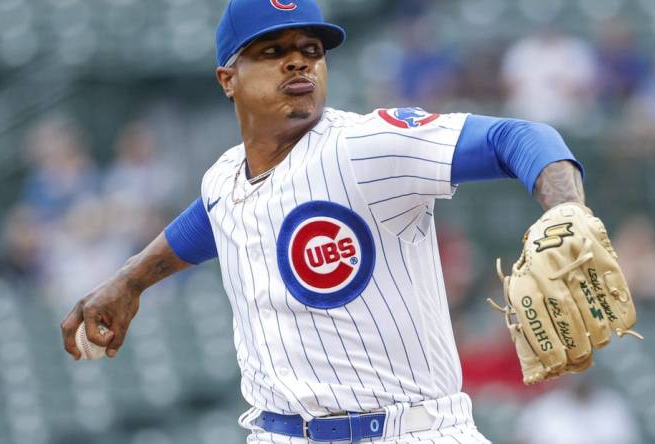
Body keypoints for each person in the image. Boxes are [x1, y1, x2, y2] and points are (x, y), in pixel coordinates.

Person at [60, 0, 597, 442]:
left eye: (311, 51)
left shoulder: (366, 146)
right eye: (273, 51)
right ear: (228, 78)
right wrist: (130, 279)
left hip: (407, 431)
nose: (299, 63)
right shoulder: (224, 177)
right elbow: (209, 221)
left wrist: (566, 210)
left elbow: (520, 138)